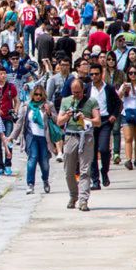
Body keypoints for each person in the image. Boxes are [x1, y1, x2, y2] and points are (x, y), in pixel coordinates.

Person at [56, 79, 101, 211]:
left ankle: (83, 200)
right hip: (70, 136)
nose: (76, 95)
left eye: (79, 92)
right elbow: (59, 121)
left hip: (86, 136)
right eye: (74, 92)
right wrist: (67, 116)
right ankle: (73, 195)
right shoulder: (66, 101)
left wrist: (85, 118)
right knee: (68, 171)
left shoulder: (91, 101)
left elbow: (97, 121)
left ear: (83, 90)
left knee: (85, 170)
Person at [10, 85, 56, 195]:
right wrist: (12, 136)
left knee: (44, 162)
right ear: (32, 94)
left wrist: (49, 113)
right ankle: (30, 184)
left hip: (45, 137)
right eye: (36, 94)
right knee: (33, 158)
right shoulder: (26, 106)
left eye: (40, 95)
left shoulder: (48, 105)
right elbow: (20, 123)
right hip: (31, 136)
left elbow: (57, 119)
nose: (38, 97)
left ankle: (45, 180)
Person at [88, 63, 119, 189]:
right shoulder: (87, 88)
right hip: (91, 122)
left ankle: (104, 171)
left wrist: (114, 115)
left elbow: (118, 103)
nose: (94, 76)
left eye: (96, 74)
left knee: (104, 148)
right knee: (92, 153)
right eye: (92, 74)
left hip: (105, 121)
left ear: (101, 74)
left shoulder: (109, 88)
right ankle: (95, 181)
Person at [0, 67, 19, 176]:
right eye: (1, 74)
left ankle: (8, 165)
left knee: (8, 141)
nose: (3, 76)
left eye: (4, 73)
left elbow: (16, 100)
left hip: (8, 118)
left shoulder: (11, 87)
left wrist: (15, 109)